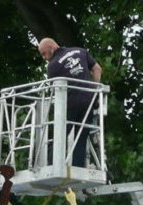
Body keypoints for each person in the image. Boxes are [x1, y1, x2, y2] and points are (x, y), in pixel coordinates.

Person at [38, 37, 103, 167]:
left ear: (51, 47)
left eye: (44, 53)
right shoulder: (80, 51)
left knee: (59, 137)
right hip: (87, 102)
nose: (44, 58)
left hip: (69, 104)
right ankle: (77, 167)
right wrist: (94, 91)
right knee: (81, 137)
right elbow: (97, 69)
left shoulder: (53, 65)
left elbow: (53, 90)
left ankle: (51, 165)